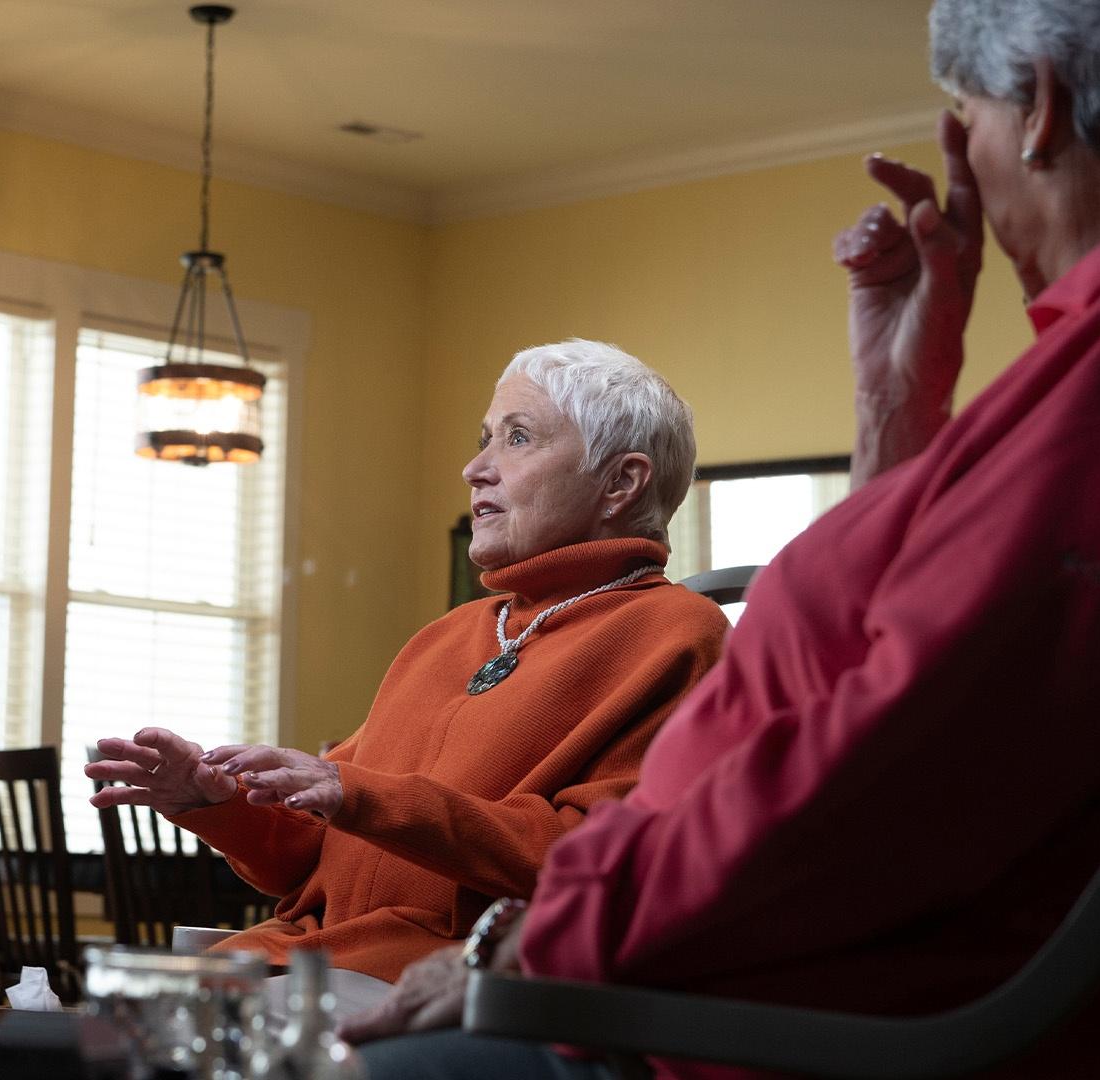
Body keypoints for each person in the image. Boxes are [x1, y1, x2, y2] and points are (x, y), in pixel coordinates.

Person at [343, 0, 1100, 1076]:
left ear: (1039, 107)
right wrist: (895, 405)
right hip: (714, 989)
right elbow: (919, 647)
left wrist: (536, 941)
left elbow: (896, 770)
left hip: (752, 1030)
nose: (970, 171)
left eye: (966, 118)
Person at [87, 340, 729, 1016]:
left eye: (517, 438)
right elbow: (309, 862)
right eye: (485, 439)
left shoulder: (679, 635)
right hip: (296, 961)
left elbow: (601, 866)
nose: (476, 468)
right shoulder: (445, 637)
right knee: (66, 1037)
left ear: (620, 483)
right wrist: (215, 805)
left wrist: (362, 795)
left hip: (439, 985)